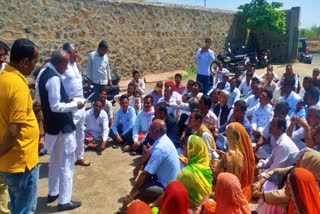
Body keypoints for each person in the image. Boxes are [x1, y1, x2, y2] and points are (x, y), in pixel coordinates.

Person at [39, 49, 84, 211]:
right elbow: (55, 106)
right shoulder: (54, 78)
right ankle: (64, 201)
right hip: (63, 128)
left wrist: (67, 98)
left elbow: (43, 99)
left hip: (53, 127)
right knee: (66, 164)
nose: (67, 68)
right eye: (66, 64)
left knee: (55, 162)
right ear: (57, 62)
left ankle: (53, 192)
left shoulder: (43, 73)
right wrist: (75, 104)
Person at [0, 39, 39, 213]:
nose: (34, 66)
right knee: (25, 210)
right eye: (34, 61)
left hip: (9, 163)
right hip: (21, 162)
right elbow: (13, 130)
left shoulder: (4, 78)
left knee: (16, 205)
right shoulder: (18, 86)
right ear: (25, 62)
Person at [124, 119, 180, 204]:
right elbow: (148, 153)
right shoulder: (162, 139)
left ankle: (148, 200)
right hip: (165, 179)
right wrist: (137, 167)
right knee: (146, 167)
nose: (148, 129)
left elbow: (144, 173)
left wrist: (131, 194)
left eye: (150, 127)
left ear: (157, 131)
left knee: (142, 185)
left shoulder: (160, 147)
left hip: (167, 187)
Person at [61, 42, 90, 166]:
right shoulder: (63, 67)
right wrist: (68, 98)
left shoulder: (75, 66)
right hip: (71, 105)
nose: (77, 54)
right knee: (69, 134)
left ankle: (80, 157)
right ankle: (67, 159)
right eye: (75, 52)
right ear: (68, 53)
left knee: (80, 132)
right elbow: (59, 85)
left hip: (81, 103)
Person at [216, 123, 255, 201]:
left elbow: (221, 176)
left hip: (230, 195)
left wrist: (218, 163)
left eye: (227, 135)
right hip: (244, 191)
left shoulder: (231, 156)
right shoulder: (245, 152)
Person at [176, 135, 213, 209]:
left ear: (193, 149)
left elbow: (173, 192)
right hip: (204, 208)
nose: (184, 146)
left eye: (187, 145)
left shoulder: (186, 173)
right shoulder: (206, 168)